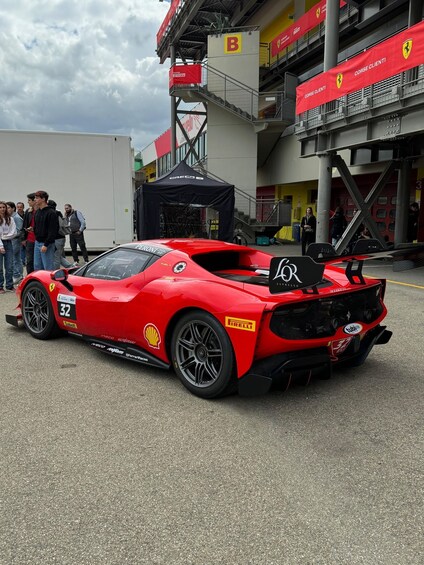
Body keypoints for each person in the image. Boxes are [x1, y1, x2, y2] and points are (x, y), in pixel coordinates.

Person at [33, 190, 59, 271]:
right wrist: (33, 229)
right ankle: (39, 284)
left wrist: (46, 244)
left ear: (43, 199)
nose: (35, 200)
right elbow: (38, 226)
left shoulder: (51, 213)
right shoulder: (37, 212)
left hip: (46, 244)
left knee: (48, 268)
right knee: (37, 267)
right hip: (37, 242)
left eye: (37, 198)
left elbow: (53, 230)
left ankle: (49, 283)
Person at [48, 200, 74, 269]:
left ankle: (55, 272)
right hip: (60, 238)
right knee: (58, 255)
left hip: (57, 238)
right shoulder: (58, 213)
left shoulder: (53, 214)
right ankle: (71, 267)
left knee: (56, 257)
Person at [0, 200, 17, 293]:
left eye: (4, 207)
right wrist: (1, 245)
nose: (2, 209)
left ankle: (10, 285)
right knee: (0, 267)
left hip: (8, 243)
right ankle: (0, 286)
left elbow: (14, 233)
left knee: (9, 265)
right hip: (0, 244)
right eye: (0, 207)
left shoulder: (10, 219)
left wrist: (3, 236)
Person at [6, 202, 24, 284]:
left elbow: (19, 230)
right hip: (13, 240)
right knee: (17, 259)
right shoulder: (10, 217)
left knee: (13, 258)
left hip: (15, 240)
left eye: (9, 207)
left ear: (13, 208)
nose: (7, 209)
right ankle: (19, 275)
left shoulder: (16, 217)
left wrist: (9, 235)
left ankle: (17, 275)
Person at [22, 193, 38, 274]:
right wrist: (23, 238)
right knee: (29, 260)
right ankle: (30, 276)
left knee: (38, 261)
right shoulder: (28, 212)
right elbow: (24, 225)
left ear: (34, 201)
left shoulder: (41, 211)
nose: (28, 202)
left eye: (29, 200)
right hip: (30, 239)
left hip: (39, 240)